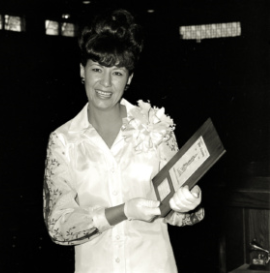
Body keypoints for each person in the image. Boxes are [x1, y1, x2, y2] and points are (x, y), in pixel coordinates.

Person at [43, 9, 204, 273]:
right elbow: (58, 226)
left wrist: (189, 202)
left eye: (117, 72)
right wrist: (124, 211)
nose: (105, 82)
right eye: (97, 69)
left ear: (129, 78)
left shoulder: (156, 125)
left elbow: (178, 215)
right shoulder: (63, 140)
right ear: (82, 70)